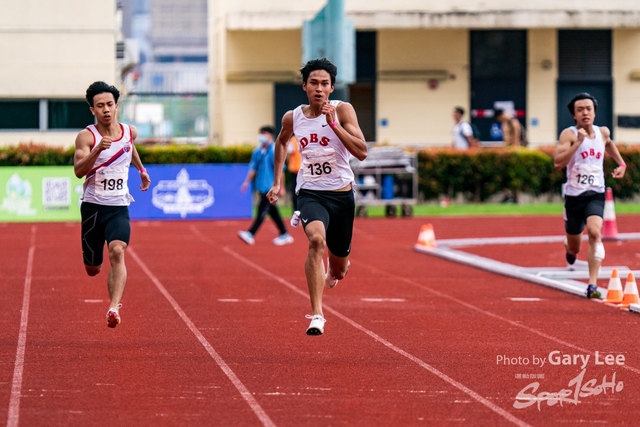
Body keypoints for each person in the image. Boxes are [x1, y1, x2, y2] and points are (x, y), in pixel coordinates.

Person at [266, 58, 368, 336]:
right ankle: (317, 314)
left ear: (332, 88)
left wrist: (334, 125)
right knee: (315, 241)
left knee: (340, 269)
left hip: (341, 196)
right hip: (311, 192)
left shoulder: (343, 111)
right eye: (314, 83)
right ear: (305, 86)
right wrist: (277, 182)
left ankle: (334, 272)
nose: (319, 89)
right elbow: (281, 142)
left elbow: (361, 152)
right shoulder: (293, 117)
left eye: (324, 84)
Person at [73, 81, 151, 328]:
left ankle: (113, 307)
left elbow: (130, 148)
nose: (106, 109)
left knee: (118, 250)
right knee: (93, 269)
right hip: (93, 209)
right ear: (92, 110)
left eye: (109, 104)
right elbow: (78, 171)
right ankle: (95, 264)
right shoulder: (87, 136)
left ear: (116, 106)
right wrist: (96, 151)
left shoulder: (130, 131)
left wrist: (141, 169)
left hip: (118, 206)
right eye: (100, 106)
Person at [554, 92, 626, 298]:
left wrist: (621, 163)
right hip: (574, 197)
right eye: (580, 110)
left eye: (589, 109)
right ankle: (569, 247)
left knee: (595, 233)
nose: (585, 113)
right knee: (575, 247)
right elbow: (558, 163)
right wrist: (577, 143)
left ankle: (592, 285)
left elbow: (609, 143)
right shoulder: (568, 135)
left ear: (594, 112)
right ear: (574, 116)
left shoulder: (602, 132)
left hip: (596, 193)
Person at [238, 126, 293, 246]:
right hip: (261, 186)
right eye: (261, 133)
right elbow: (253, 168)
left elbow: (281, 170)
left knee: (262, 210)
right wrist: (246, 182)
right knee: (272, 211)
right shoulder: (257, 151)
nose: (262, 136)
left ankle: (251, 233)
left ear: (271, 135)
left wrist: (281, 187)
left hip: (270, 187)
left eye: (264, 133)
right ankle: (284, 233)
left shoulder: (274, 150)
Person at [495, 109, 523, 203]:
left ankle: (516, 197)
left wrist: (513, 150)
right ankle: (507, 195)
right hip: (508, 149)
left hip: (513, 150)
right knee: (505, 175)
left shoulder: (512, 121)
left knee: (515, 175)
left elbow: (516, 137)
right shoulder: (505, 122)